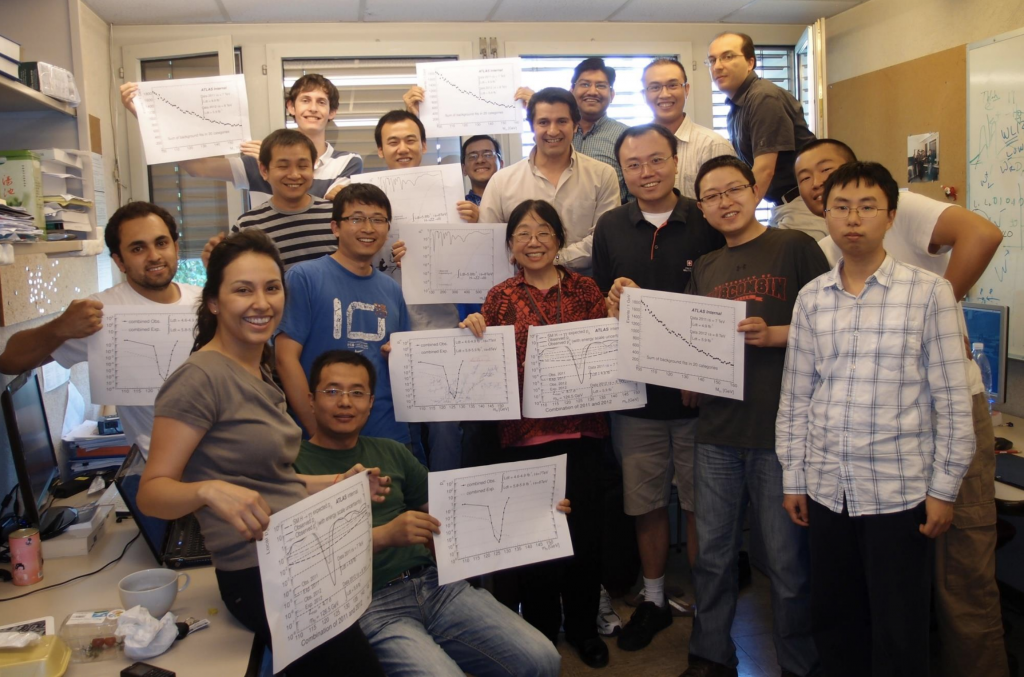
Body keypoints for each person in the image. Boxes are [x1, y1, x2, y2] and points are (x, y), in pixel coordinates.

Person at [794, 138, 1008, 677]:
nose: (850, 216)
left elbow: (952, 404)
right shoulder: (815, 290)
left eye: (866, 206)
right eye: (836, 204)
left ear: (890, 215)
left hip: (899, 485)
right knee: (837, 614)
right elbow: (799, 393)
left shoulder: (928, 291)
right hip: (829, 483)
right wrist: (794, 475)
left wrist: (942, 490)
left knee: (904, 618)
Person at [136, 230, 385, 675]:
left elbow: (268, 478)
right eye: (243, 290)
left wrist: (333, 485)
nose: (262, 302)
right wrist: (209, 491)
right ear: (213, 301)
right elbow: (152, 492)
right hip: (258, 575)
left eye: (272, 288)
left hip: (297, 558)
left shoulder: (259, 365)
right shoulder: (200, 378)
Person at [292, 349, 563, 677]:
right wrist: (386, 536)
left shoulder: (391, 450)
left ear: (371, 402)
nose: (346, 402)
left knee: (542, 659)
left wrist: (535, 510)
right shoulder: (294, 467)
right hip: (369, 605)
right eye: (333, 391)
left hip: (436, 586)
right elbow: (298, 560)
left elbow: (452, 511)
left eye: (357, 392)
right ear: (310, 399)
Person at [681, 155, 828, 677]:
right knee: (714, 558)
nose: (725, 202)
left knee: (787, 565)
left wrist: (776, 335)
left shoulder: (794, 247)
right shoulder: (706, 266)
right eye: (712, 196)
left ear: (753, 190)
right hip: (718, 431)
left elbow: (837, 321)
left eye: (733, 189)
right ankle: (711, 656)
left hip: (782, 434)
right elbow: (694, 341)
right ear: (701, 209)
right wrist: (688, 374)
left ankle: (799, 665)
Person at [460, 199, 611, 669]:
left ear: (560, 241)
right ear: (510, 247)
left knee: (583, 539)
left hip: (582, 434)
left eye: (544, 232)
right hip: (522, 439)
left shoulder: (587, 291)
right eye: (523, 234)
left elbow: (609, 351)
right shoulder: (499, 296)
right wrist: (472, 329)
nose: (534, 242)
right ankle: (542, 630)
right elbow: (483, 363)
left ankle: (584, 629)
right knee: (535, 541)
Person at [595, 124, 726, 652]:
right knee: (645, 502)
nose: (646, 172)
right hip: (637, 397)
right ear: (622, 173)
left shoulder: (708, 218)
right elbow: (606, 303)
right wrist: (614, 297)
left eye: (656, 160)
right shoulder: (610, 226)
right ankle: (652, 598)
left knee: (701, 505)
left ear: (676, 162)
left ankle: (705, 605)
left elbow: (724, 301)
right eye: (634, 165)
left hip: (701, 399)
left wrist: (702, 373)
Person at [0, 202, 201, 459]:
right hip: (163, 469)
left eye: (161, 243)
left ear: (176, 247)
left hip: (227, 457)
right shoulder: (101, 311)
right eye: (138, 248)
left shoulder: (207, 303)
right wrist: (60, 327)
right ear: (119, 261)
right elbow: (10, 362)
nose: (154, 256)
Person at [275, 183, 411, 448]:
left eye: (378, 220)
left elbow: (403, 363)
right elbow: (284, 359)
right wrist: (317, 435)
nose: (368, 228)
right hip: (321, 440)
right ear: (335, 227)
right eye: (357, 219)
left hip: (389, 437)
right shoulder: (304, 278)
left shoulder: (392, 289)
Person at [120, 73, 361, 202]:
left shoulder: (349, 162)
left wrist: (275, 165)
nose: (313, 108)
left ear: (332, 112)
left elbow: (337, 206)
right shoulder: (258, 162)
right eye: (305, 100)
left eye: (321, 102)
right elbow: (197, 167)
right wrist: (145, 116)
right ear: (291, 107)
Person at [479, 87, 620, 276]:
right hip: (520, 296)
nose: (552, 131)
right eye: (543, 122)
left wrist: (553, 258)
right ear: (532, 126)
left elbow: (603, 239)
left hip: (584, 293)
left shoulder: (603, 175)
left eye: (561, 121)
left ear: (575, 125)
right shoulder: (502, 181)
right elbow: (491, 243)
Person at [706, 32, 822, 241]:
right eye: (712, 60)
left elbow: (764, 170)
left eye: (728, 57)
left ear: (750, 62)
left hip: (804, 205)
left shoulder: (763, 97)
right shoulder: (738, 105)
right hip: (783, 206)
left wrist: (734, 217)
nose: (718, 66)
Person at [228, 129, 336, 270]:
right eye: (283, 166)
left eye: (303, 166)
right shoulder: (248, 225)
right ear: (264, 171)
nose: (294, 175)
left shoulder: (335, 215)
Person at [641, 57, 735, 200]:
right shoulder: (636, 146)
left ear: (686, 89)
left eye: (672, 85)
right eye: (655, 87)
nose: (665, 94)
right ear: (644, 95)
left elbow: (729, 203)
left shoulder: (713, 145)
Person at [461, 134, 503, 206]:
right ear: (464, 169)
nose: (480, 160)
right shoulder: (458, 208)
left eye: (487, 154)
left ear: (501, 164)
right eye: (472, 156)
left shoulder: (514, 201)